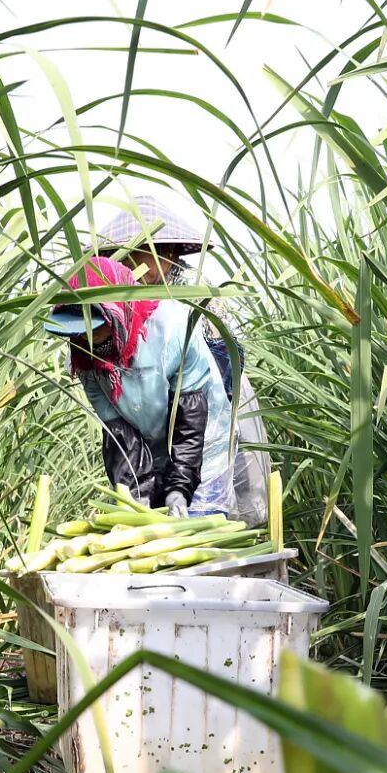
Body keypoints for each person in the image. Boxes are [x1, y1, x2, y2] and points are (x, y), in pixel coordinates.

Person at [95, 194, 269, 527]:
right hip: (153, 427)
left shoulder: (194, 301)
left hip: (212, 416)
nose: (132, 264)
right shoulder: (107, 309)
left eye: (143, 253)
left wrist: (183, 471)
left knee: (220, 518)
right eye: (127, 255)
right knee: (155, 517)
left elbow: (216, 388)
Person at [45, 255, 235, 517]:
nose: (86, 341)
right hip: (152, 445)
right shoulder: (82, 359)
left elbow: (191, 420)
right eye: (77, 333)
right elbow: (120, 435)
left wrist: (179, 486)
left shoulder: (173, 331)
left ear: (118, 314)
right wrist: (137, 497)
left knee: (197, 526)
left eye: (95, 329)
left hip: (201, 443)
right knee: (143, 519)